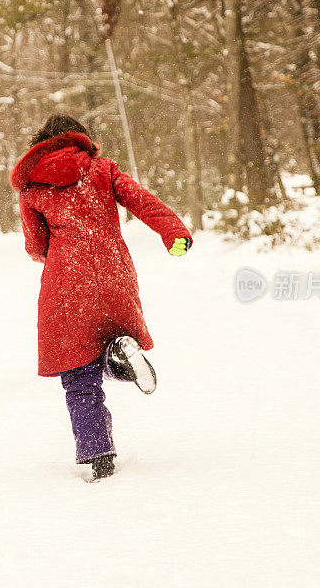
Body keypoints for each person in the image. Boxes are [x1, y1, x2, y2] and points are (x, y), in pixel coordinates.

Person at [10, 113, 191, 481]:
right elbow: (144, 202)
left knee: (79, 375)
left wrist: (52, 249)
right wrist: (174, 232)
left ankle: (99, 455)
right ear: (80, 139)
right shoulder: (103, 169)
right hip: (113, 273)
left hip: (66, 283)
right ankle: (120, 352)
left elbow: (36, 245)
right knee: (106, 341)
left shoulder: (33, 188)